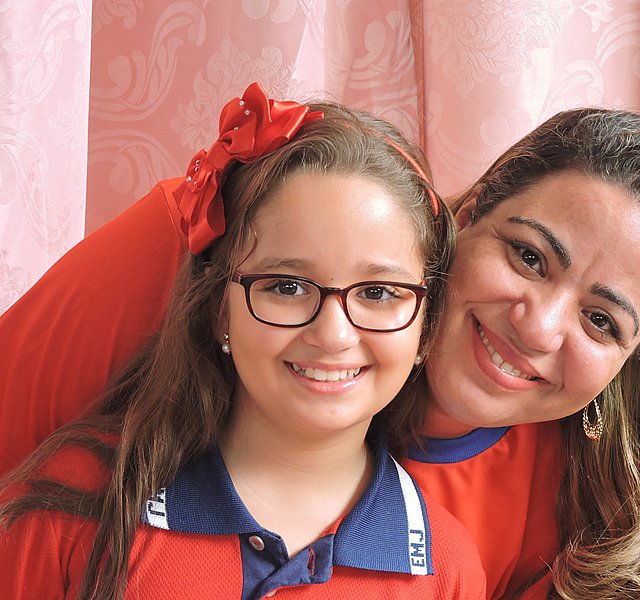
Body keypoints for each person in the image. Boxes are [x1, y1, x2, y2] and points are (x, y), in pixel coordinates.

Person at [0, 103, 640, 599]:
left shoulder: (551, 529)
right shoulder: (205, 237)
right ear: (470, 211)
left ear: (634, 359)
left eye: (602, 321)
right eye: (528, 256)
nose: (538, 328)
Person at [0, 82, 487, 599]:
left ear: (425, 325)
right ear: (218, 309)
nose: (333, 335)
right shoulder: (67, 507)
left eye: (378, 293)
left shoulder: (448, 573)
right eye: (287, 287)